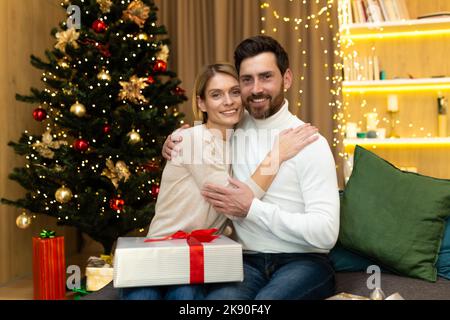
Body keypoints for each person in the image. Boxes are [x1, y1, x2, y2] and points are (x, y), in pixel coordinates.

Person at [120, 63, 319, 300]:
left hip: (199, 256)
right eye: (216, 95)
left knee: (185, 295)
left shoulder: (240, 140)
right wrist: (276, 155)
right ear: (202, 103)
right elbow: (235, 205)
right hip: (161, 252)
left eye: (235, 92)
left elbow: (266, 116)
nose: (228, 101)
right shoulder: (194, 140)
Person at [162, 36, 340, 300]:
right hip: (246, 259)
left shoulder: (309, 142)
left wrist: (253, 209)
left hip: (304, 261)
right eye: (247, 80)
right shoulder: (232, 128)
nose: (256, 89)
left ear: (286, 79)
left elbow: (326, 233)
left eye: (266, 77)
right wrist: (174, 140)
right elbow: (202, 138)